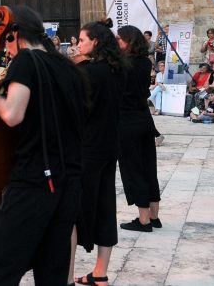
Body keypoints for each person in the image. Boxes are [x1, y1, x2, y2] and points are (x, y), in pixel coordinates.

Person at [0, 7, 85, 286]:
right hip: (68, 180)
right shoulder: (66, 66)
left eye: (7, 42)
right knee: (52, 273)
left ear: (15, 34)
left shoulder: (26, 61)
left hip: (34, 180)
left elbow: (13, 115)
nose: (6, 50)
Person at [71, 21, 126, 285]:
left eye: (82, 40)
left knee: (71, 210)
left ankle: (64, 274)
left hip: (88, 147)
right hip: (108, 145)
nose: (78, 45)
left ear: (95, 42)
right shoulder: (118, 69)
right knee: (105, 206)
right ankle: (100, 272)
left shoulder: (91, 72)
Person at [115, 26, 162, 233]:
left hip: (127, 121)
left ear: (128, 41)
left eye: (119, 39)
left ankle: (143, 220)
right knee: (148, 167)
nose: (116, 41)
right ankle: (154, 216)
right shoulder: (145, 62)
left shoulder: (122, 65)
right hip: (144, 119)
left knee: (133, 169)